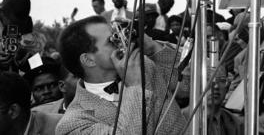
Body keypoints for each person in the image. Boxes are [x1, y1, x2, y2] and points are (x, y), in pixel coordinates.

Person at [55, 15, 186, 134]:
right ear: (88, 60)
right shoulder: (73, 123)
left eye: (118, 35)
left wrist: (152, 47)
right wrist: (135, 87)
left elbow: (192, 85)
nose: (122, 42)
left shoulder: (144, 64)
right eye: (112, 40)